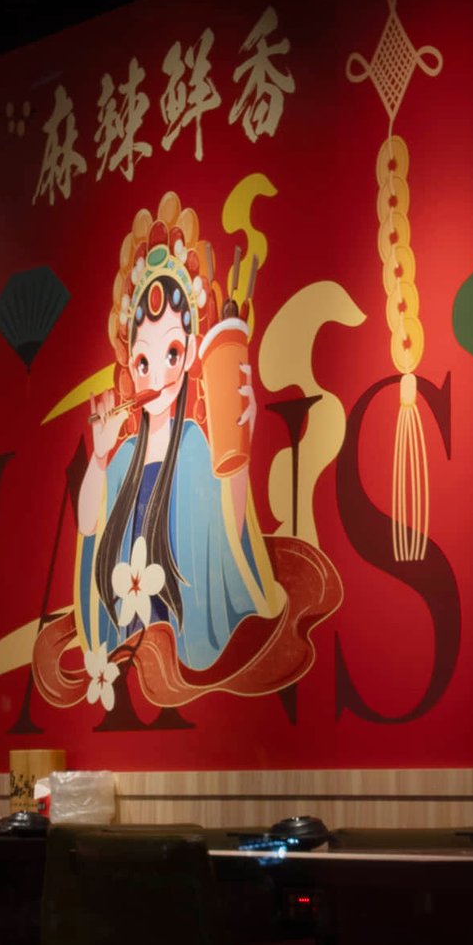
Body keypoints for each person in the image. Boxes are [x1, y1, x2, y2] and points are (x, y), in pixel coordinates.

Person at [70, 196, 280, 699]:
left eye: (170, 353)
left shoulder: (195, 445)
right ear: (130, 365)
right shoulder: (123, 458)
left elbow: (226, 534)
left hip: (187, 649)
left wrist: (241, 451)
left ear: (188, 358)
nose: (156, 376)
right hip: (131, 646)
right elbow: (88, 526)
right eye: (143, 362)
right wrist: (98, 458)